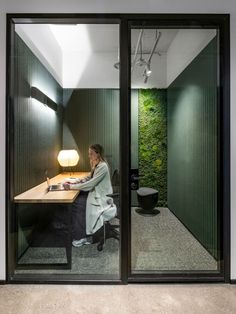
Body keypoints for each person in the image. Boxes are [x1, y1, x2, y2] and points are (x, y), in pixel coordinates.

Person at [63, 144, 117, 247]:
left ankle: (81, 237)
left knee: (77, 203)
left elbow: (90, 184)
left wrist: (71, 187)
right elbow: (89, 177)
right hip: (96, 194)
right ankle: (78, 232)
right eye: (89, 153)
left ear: (98, 154)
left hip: (102, 198)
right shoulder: (96, 165)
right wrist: (75, 181)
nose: (89, 156)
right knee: (78, 200)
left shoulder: (103, 166)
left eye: (91, 153)